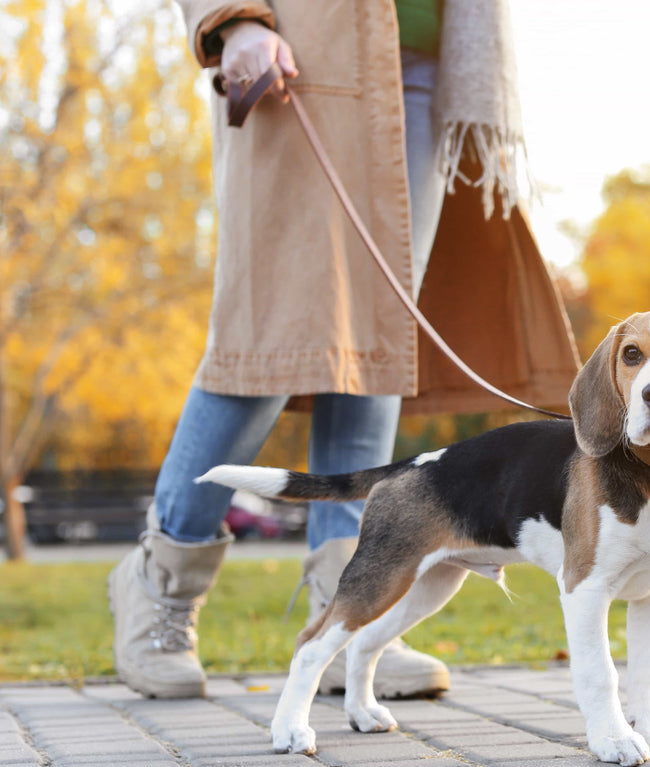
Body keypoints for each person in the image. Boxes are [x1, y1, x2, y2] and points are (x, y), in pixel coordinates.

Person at [109, 0, 580, 700]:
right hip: (299, 58)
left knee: (379, 345)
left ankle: (350, 604)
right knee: (263, 342)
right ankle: (160, 583)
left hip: (422, 72)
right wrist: (232, 18)